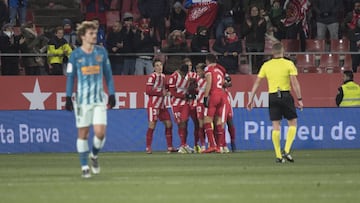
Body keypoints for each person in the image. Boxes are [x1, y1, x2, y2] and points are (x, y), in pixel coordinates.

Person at [65, 21, 116, 178]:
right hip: (82, 101)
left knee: (100, 133)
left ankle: (93, 155)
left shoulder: (101, 52)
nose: (95, 36)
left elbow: (108, 75)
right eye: (91, 33)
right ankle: (84, 166)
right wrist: (68, 96)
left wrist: (112, 93)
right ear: (82, 36)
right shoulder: (75, 55)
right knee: (84, 134)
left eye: (95, 33)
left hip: (99, 99)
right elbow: (71, 77)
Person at [246, 42, 303, 163]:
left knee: (276, 126)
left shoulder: (266, 65)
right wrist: (299, 99)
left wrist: (251, 99)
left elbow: (257, 83)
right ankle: (286, 150)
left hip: (272, 96)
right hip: (285, 94)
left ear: (272, 52)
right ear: (283, 51)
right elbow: (294, 83)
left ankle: (278, 155)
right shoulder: (289, 64)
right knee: (292, 123)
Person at [145, 59, 177, 154]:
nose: (160, 67)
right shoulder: (152, 77)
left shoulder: (163, 76)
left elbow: (166, 87)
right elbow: (148, 91)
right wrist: (161, 93)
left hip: (162, 105)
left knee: (169, 124)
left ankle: (170, 147)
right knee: (152, 125)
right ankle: (148, 147)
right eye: (157, 65)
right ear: (154, 68)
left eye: (161, 65)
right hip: (154, 105)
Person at [202, 54, 228, 153]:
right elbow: (224, 82)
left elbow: (209, 82)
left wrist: (205, 96)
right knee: (218, 121)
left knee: (207, 120)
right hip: (222, 95)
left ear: (207, 61)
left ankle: (212, 145)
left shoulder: (208, 69)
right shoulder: (220, 70)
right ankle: (219, 147)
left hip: (214, 95)